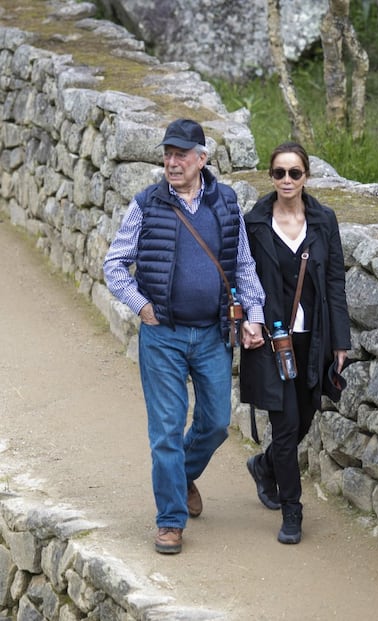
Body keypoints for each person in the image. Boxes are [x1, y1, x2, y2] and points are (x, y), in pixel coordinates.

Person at [103, 118, 265, 555]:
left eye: (181, 155)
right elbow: (114, 264)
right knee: (167, 431)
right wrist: (141, 306)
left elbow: (243, 266)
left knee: (214, 424)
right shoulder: (147, 203)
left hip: (213, 334)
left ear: (201, 159)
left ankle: (181, 475)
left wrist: (255, 315)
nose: (172, 162)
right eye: (167, 154)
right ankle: (170, 521)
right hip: (163, 336)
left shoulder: (226, 203)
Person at [240, 141, 351, 544]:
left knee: (304, 418)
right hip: (272, 340)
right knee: (285, 427)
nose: (286, 180)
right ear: (271, 177)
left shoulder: (324, 221)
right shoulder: (254, 223)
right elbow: (241, 278)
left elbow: (335, 282)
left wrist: (341, 342)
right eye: (279, 173)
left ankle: (265, 466)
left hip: (314, 339)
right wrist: (248, 324)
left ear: (306, 177)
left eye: (294, 173)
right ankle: (292, 512)